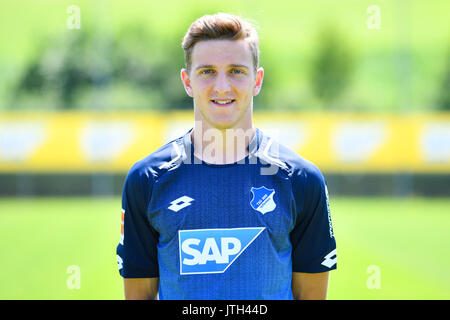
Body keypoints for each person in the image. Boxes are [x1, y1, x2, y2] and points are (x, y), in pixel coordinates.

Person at [116, 12, 337, 300]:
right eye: (207, 71)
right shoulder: (147, 180)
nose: (222, 87)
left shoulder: (301, 181)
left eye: (236, 71)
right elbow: (139, 295)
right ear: (187, 81)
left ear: (256, 81)